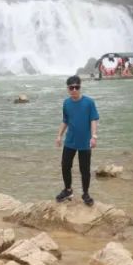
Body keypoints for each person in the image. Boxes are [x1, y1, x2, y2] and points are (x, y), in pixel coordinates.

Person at [55, 75, 99, 206]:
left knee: (84, 169)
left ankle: (85, 194)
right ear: (68, 89)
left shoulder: (89, 102)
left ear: (80, 87)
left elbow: (93, 120)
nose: (74, 90)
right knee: (65, 166)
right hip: (70, 141)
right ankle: (68, 190)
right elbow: (65, 121)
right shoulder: (66, 103)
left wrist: (94, 137)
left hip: (85, 142)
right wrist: (59, 136)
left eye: (76, 87)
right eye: (71, 88)